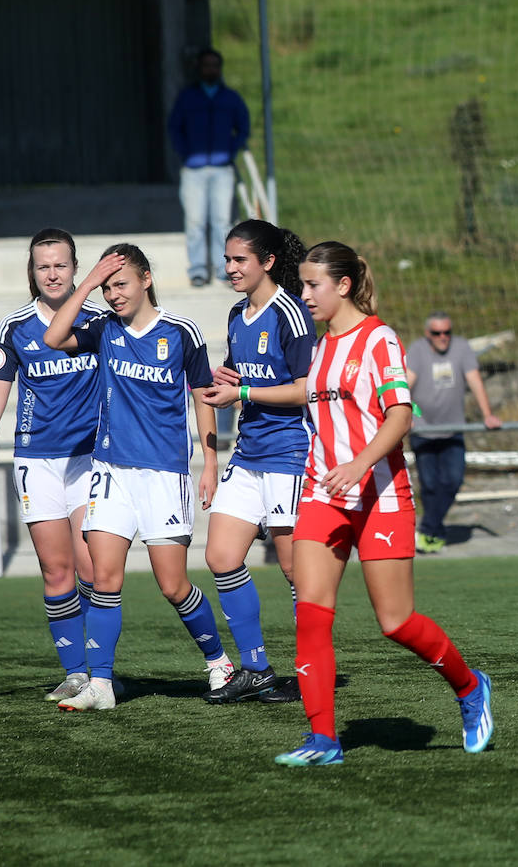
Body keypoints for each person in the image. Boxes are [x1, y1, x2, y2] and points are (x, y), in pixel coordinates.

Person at [277, 241, 493, 767]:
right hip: (322, 494)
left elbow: (401, 416)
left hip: (381, 496)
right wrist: (242, 394)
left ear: (343, 285)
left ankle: (469, 687)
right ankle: (323, 740)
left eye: (312, 285)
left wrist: (359, 463)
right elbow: (306, 394)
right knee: (310, 613)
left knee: (395, 622)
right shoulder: (319, 345)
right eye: (302, 285)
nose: (304, 295)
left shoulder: (379, 339)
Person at [42, 244, 233, 711]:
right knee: (105, 578)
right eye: (107, 287)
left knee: (172, 585)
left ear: (146, 279)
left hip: (164, 475)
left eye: (120, 283)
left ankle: (218, 661)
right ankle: (101, 686)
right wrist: (85, 284)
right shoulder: (103, 329)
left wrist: (209, 464)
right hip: (111, 473)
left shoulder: (181, 332)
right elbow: (52, 338)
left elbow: (203, 396)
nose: (113, 295)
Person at [0, 229, 102, 702]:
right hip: (37, 462)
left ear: (75, 268)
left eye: (60, 264)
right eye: (44, 266)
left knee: (93, 567)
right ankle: (77, 674)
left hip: (90, 461)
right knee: (56, 570)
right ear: (32, 271)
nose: (52, 273)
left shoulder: (100, 324)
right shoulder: (15, 328)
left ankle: (101, 671)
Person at [199, 219, 313, 703]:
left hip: (289, 453)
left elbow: (308, 388)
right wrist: (229, 376)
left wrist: (243, 390)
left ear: (267, 262)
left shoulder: (291, 313)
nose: (230, 268)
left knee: (295, 570)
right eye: (226, 260)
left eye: (239, 260)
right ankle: (258, 670)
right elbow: (242, 374)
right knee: (221, 557)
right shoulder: (235, 313)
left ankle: (312, 672)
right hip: (248, 454)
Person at [405, 312, 502, 554]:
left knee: (453, 480)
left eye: (447, 332)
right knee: (429, 485)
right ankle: (433, 535)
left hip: (454, 428)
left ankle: (427, 529)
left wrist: (487, 414)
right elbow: (406, 384)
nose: (443, 338)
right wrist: (404, 416)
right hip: (423, 429)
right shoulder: (417, 350)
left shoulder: (461, 348)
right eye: (437, 333)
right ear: (428, 334)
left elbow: (475, 381)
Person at [167, 47, 250, 287]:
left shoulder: (230, 97)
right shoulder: (188, 97)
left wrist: (231, 150)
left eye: (215, 65)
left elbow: (243, 127)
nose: (211, 69)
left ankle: (224, 268)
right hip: (193, 169)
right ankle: (198, 270)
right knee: (195, 221)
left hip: (222, 168)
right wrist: (185, 152)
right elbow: (175, 127)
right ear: (199, 69)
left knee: (222, 221)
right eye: (207, 65)